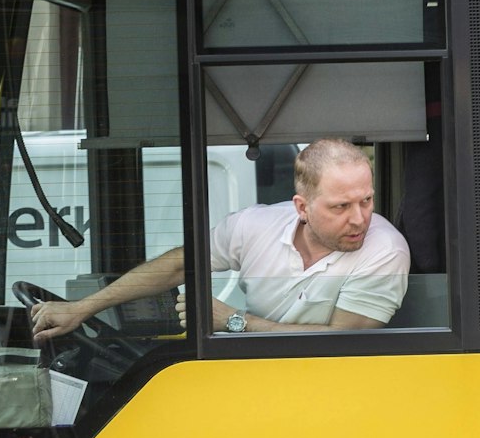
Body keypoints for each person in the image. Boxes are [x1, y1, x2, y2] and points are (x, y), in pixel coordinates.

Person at [31, 139, 410, 342]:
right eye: (341, 206)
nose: (360, 218)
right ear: (302, 207)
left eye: (366, 200)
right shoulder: (254, 225)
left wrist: (234, 322)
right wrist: (82, 309)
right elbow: (181, 264)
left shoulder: (385, 251)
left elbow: (345, 342)